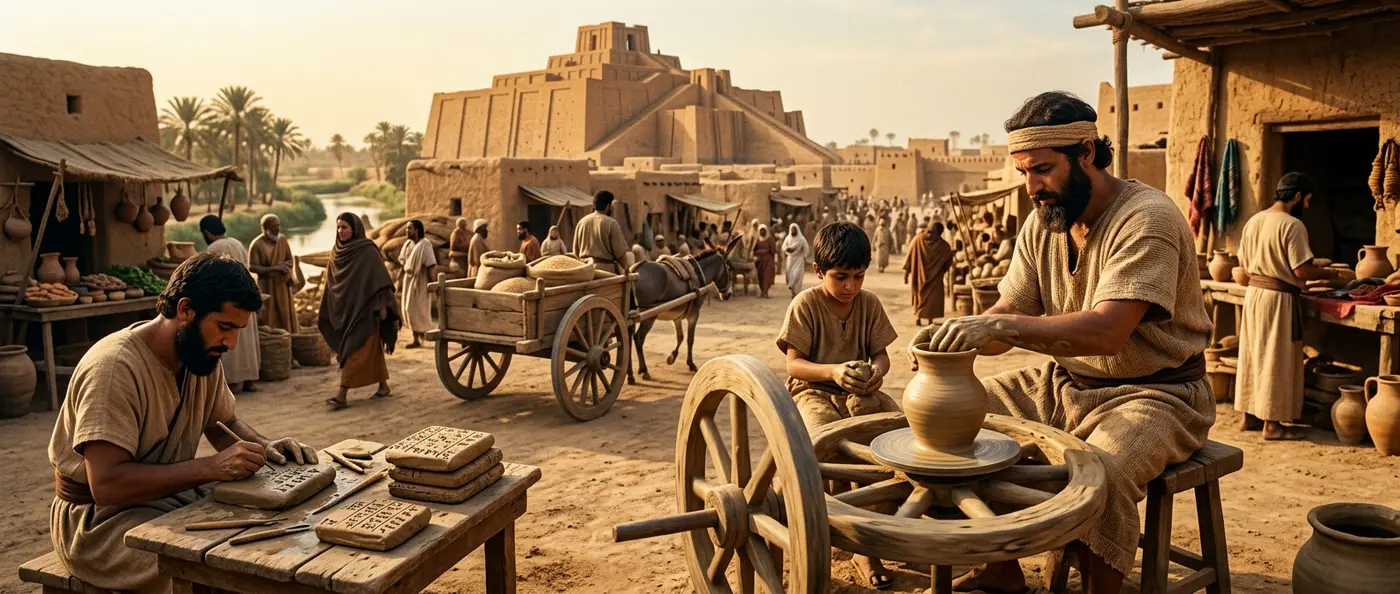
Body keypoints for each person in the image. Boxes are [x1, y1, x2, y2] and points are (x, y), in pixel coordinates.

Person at [914, 92, 1213, 594]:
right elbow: (1011, 313)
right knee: (956, 429)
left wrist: (996, 329)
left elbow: (1108, 331)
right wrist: (956, 339)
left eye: (1043, 170)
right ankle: (1000, 568)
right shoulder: (1043, 221)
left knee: (1103, 472)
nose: (1032, 187)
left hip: (1158, 395)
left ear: (1087, 153)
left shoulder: (1147, 218)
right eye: (1023, 173)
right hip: (1067, 383)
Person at [48, 253, 317, 594]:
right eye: (225, 327)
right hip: (100, 525)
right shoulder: (115, 368)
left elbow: (224, 422)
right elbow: (107, 485)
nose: (232, 343)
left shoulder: (199, 353)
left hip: (166, 498)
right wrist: (210, 467)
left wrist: (266, 448)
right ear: (186, 310)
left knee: (273, 533)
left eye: (238, 330)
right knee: (224, 569)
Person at [776, 221, 900, 589]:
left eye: (859, 276)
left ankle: (885, 522)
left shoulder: (869, 303)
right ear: (818, 272)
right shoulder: (806, 305)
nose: (851, 287)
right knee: (827, 447)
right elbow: (794, 364)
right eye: (841, 277)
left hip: (860, 392)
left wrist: (874, 374)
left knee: (899, 437)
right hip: (813, 391)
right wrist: (832, 370)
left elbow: (882, 356)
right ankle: (859, 545)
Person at [1235, 173, 1336, 440]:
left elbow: (1244, 267)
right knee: (1275, 358)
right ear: (1299, 196)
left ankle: (1249, 417)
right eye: (1308, 200)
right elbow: (1301, 270)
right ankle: (1273, 425)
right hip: (1278, 300)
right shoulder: (1292, 225)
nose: (1308, 206)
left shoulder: (1254, 221)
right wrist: (1333, 275)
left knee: (1254, 354)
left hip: (1255, 295)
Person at [320, 213, 401, 410]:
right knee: (372, 350)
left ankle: (342, 394)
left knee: (353, 351)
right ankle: (383, 386)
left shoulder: (367, 250)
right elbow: (333, 283)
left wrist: (383, 306)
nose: (341, 231)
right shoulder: (337, 251)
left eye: (344, 227)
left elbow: (379, 279)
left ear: (354, 229)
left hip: (366, 311)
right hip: (346, 311)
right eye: (338, 227)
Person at [199, 216, 260, 393]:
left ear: (207, 233)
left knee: (232, 342)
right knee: (247, 341)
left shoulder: (214, 248)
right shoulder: (236, 242)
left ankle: (233, 381)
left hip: (228, 300)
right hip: (245, 295)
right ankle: (249, 379)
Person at [247, 214, 298, 333]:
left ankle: (288, 337)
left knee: (284, 313)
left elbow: (290, 260)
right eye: (274, 226)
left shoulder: (282, 240)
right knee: (268, 314)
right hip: (266, 285)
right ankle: (272, 339)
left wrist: (286, 267)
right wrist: (275, 268)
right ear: (265, 228)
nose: (277, 229)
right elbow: (252, 267)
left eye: (278, 225)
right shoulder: (257, 244)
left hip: (281, 285)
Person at [397, 219, 437, 349]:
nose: (407, 231)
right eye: (407, 228)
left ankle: (421, 336)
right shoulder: (408, 244)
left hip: (421, 281)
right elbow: (403, 264)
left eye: (409, 228)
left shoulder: (425, 245)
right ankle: (417, 338)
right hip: (409, 281)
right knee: (408, 309)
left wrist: (434, 285)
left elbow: (431, 265)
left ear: (417, 230)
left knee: (418, 309)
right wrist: (398, 280)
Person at [573, 190, 632, 273]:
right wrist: (627, 269)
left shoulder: (582, 222)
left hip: (585, 270)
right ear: (608, 206)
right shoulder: (611, 223)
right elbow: (619, 253)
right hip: (606, 271)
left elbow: (575, 252)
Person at [782, 222, 810, 297]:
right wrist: (787, 249)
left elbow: (806, 248)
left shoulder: (801, 239)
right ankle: (793, 292)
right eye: (791, 229)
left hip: (799, 259)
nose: (793, 231)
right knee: (790, 275)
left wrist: (804, 256)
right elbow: (784, 247)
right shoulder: (788, 238)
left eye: (794, 229)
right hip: (790, 259)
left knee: (797, 275)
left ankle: (796, 292)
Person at [753, 225, 777, 299]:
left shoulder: (770, 240)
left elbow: (773, 250)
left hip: (768, 261)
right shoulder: (757, 240)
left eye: (763, 230)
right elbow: (754, 250)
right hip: (759, 262)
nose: (762, 232)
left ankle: (766, 292)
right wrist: (760, 252)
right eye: (761, 230)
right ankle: (762, 291)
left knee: (767, 276)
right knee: (761, 276)